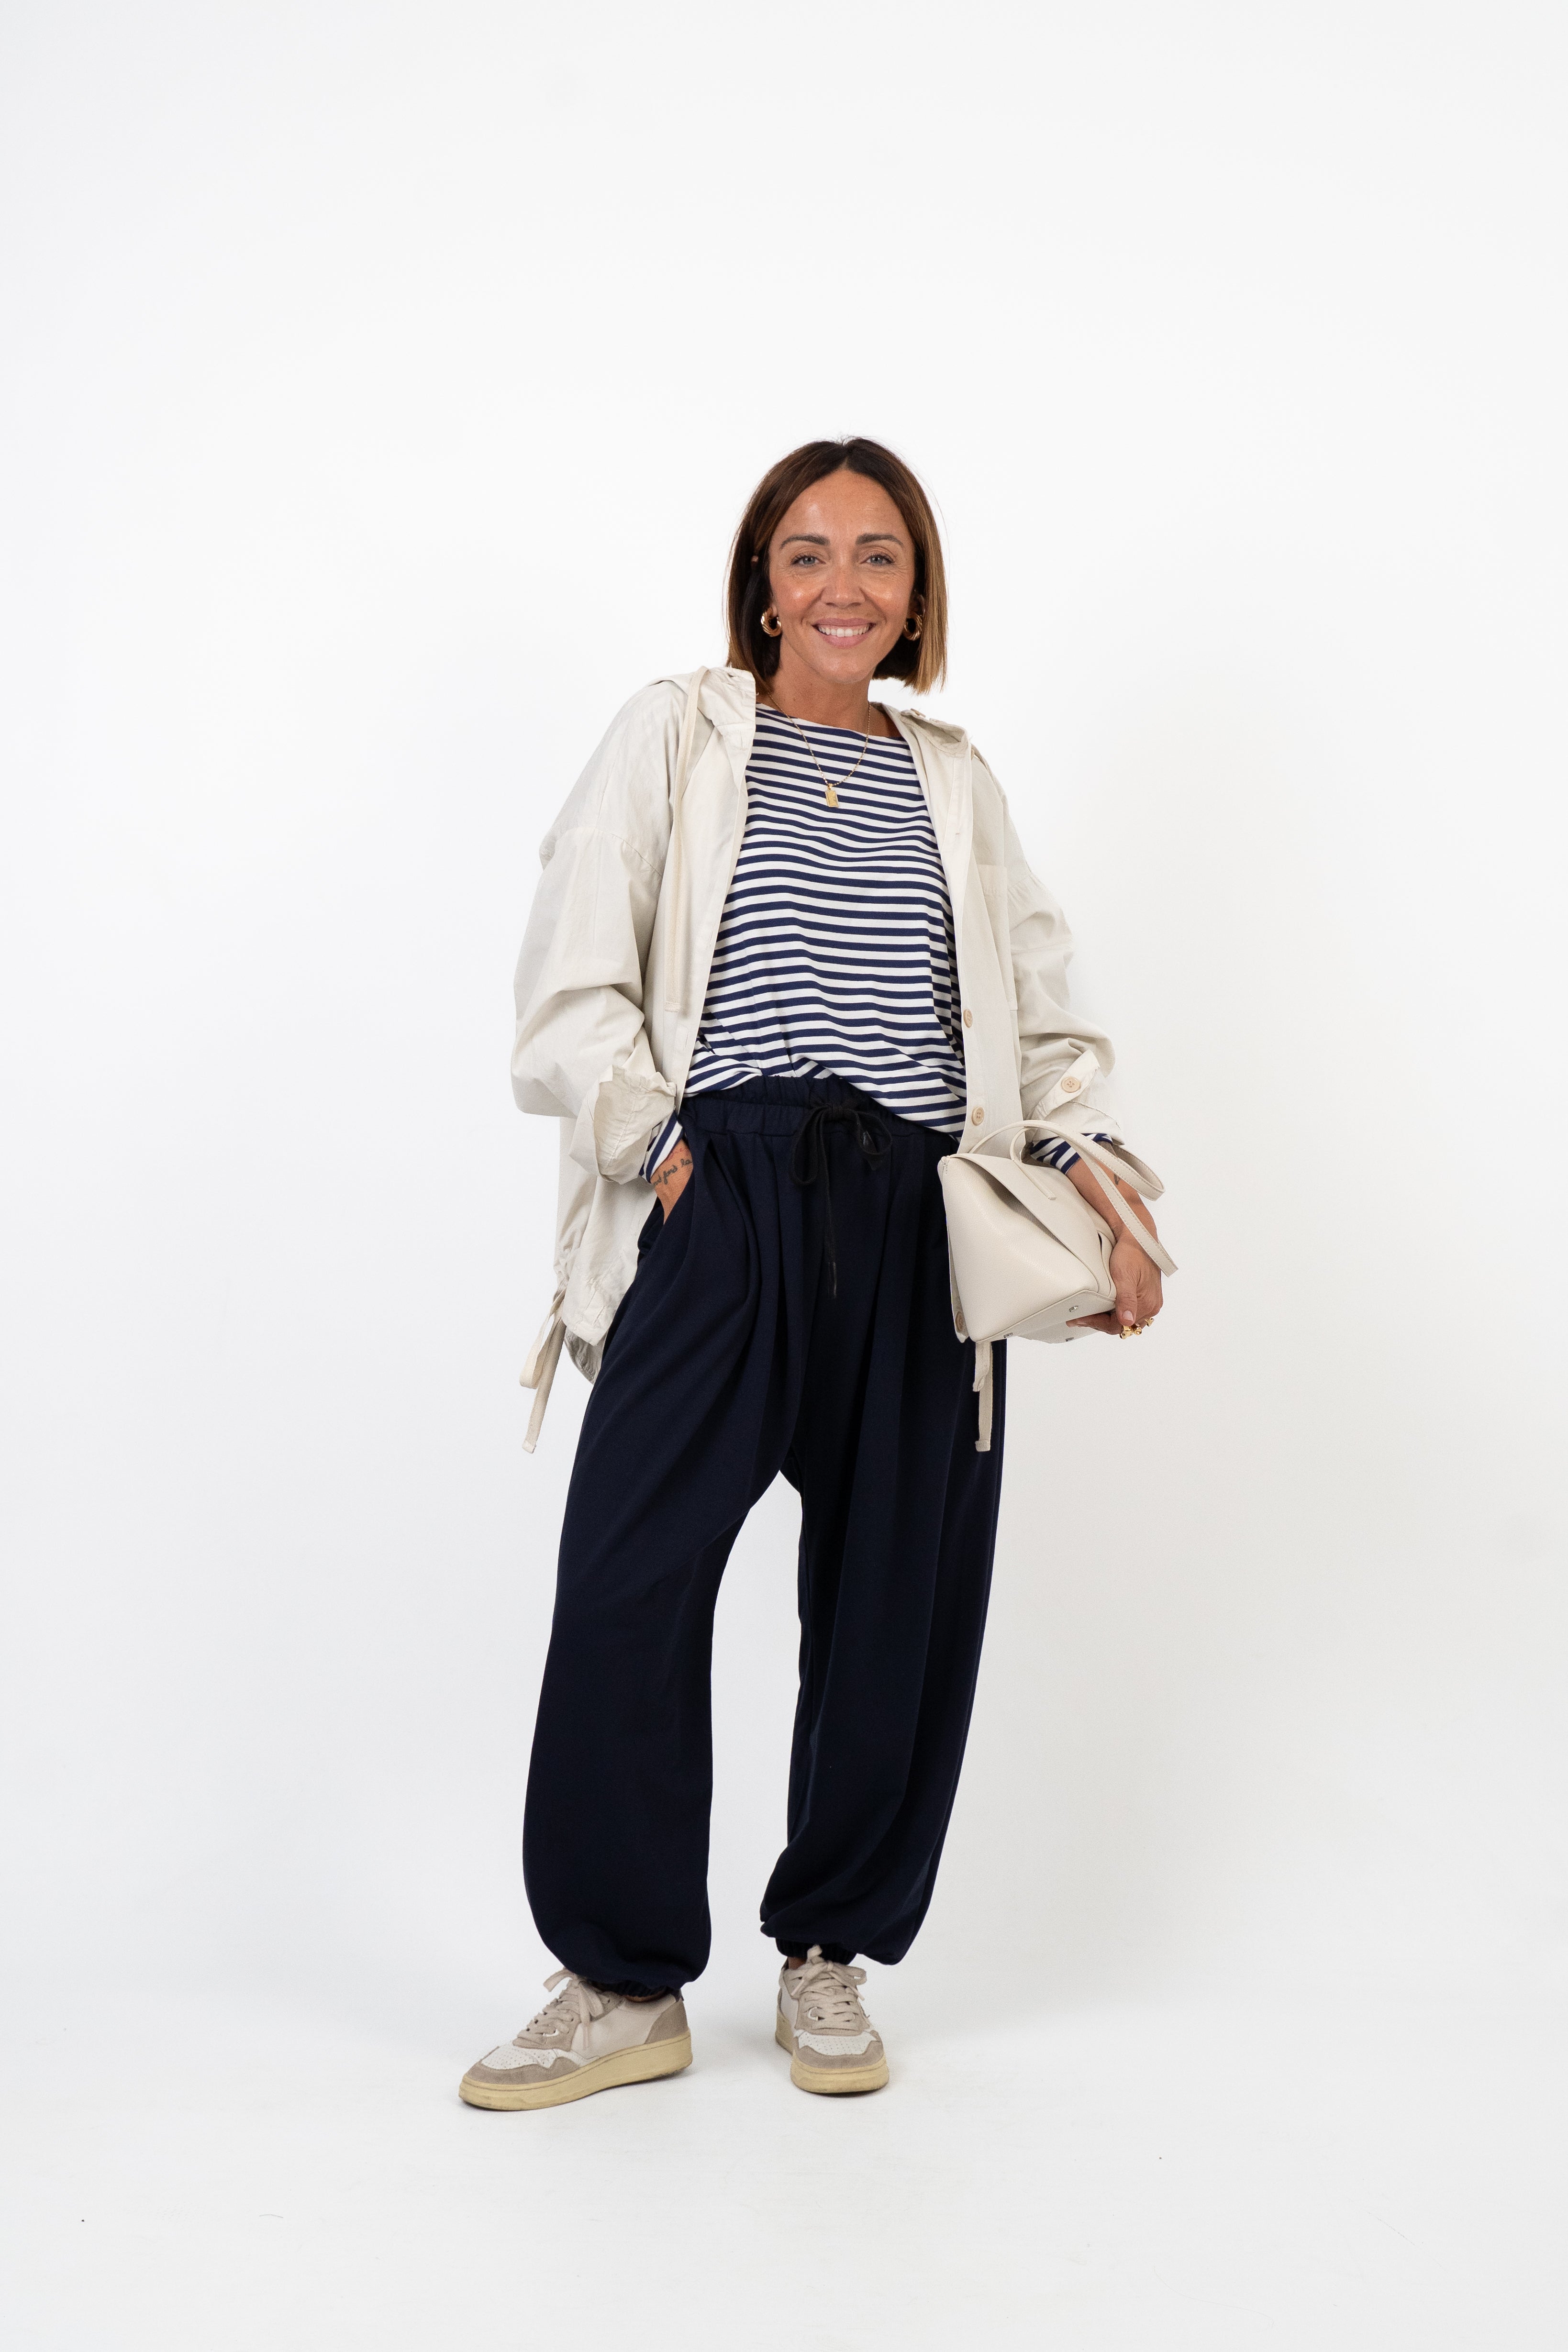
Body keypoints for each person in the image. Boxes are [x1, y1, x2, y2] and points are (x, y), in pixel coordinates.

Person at [459, 438, 1165, 2111]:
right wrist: (662, 1148)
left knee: (896, 1601)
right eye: (807, 553)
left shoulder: (957, 784)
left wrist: (1095, 1169)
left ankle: (829, 1948)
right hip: (727, 1192)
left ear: (917, 594)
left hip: (918, 1214)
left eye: (878, 555)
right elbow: (571, 983)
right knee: (629, 1578)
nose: (842, 584)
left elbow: (1041, 1019)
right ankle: (624, 1978)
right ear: (762, 586)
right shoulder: (679, 734)